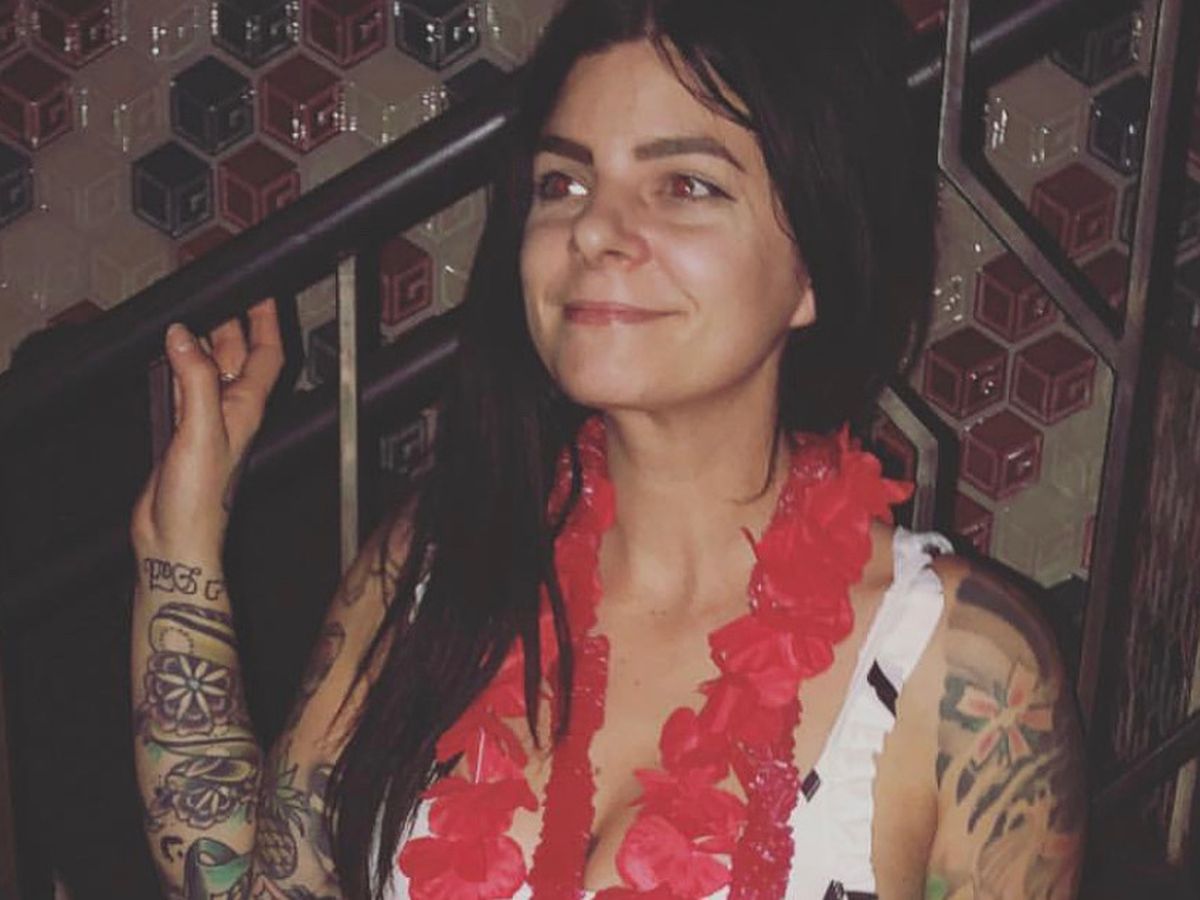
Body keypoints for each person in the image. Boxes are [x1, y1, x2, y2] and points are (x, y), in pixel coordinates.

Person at [129, 1, 1087, 898]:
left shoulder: (967, 671)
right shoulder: (435, 561)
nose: (593, 229)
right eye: (565, 182)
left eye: (686, 185)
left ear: (815, 266)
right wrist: (179, 544)